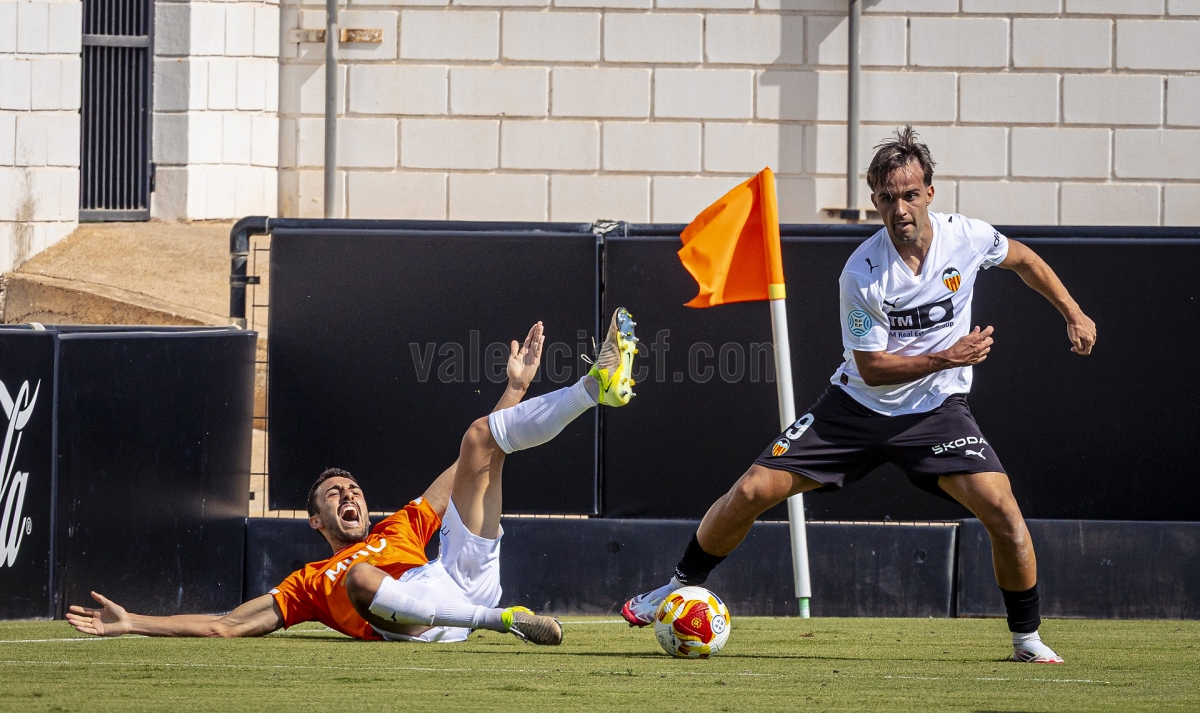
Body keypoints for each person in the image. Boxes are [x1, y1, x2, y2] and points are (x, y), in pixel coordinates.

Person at [622, 127, 1097, 665]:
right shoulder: (862, 272)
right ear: (875, 202)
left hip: (937, 414)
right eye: (888, 198)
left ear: (930, 195)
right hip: (855, 410)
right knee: (752, 491)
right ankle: (679, 584)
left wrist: (1073, 313)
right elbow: (872, 369)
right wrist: (948, 356)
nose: (901, 209)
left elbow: (1025, 260)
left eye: (911, 195)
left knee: (1004, 513)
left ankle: (1027, 640)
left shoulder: (966, 237)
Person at [67, 311, 639, 644]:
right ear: (316, 519)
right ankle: (505, 622)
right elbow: (225, 626)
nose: (350, 495)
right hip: (415, 623)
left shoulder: (404, 527)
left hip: (460, 575)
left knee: (477, 440)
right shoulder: (310, 582)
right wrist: (134, 622)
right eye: (334, 494)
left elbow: (472, 464)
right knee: (360, 579)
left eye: (354, 489)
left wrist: (514, 390)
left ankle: (596, 386)